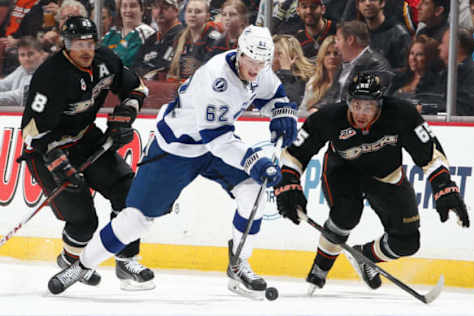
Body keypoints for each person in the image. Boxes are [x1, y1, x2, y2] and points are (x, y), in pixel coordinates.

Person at [46, 25, 298, 298]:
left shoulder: (258, 68)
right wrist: (254, 162)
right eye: (252, 60)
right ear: (240, 53)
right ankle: (82, 265)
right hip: (177, 148)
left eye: (263, 62)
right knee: (136, 221)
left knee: (253, 193)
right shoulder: (216, 79)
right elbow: (218, 140)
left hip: (214, 146)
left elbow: (274, 93)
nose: (257, 67)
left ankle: (238, 264)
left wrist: (282, 112)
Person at [274, 72, 470, 294]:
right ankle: (318, 271)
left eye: (368, 107)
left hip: (387, 175)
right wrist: (288, 182)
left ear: (380, 103)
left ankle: (365, 257)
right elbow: (294, 155)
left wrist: (444, 186)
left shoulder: (401, 114)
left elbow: (430, 154)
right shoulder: (329, 117)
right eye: (356, 105)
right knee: (346, 214)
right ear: (348, 101)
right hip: (343, 172)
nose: (361, 113)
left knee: (407, 242)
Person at [20, 16, 155, 291]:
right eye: (78, 43)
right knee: (84, 223)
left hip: (86, 138)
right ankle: (70, 260)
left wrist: (125, 116)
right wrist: (59, 164)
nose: (85, 50)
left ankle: (125, 258)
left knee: (127, 190)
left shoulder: (106, 60)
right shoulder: (50, 76)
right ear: (66, 45)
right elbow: (32, 132)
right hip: (49, 150)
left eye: (89, 43)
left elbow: (136, 88)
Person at [322, 20, 392, 103]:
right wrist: (317, 108)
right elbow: (331, 95)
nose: (336, 46)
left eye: (338, 40)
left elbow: (358, 102)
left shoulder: (375, 65)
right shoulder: (344, 64)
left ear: (350, 40)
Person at [167, 0, 221, 82]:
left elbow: (220, 70)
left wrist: (200, 67)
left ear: (207, 16)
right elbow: (170, 65)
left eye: (198, 12)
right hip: (181, 85)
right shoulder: (179, 36)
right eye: (189, 11)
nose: (193, 15)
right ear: (184, 15)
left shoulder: (215, 39)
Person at [388, 34, 443, 114]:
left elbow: (437, 105)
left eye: (419, 54)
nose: (413, 58)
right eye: (411, 53)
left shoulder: (437, 82)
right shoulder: (398, 77)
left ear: (430, 57)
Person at [132, 0, 184, 78]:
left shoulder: (183, 36)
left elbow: (163, 68)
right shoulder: (151, 39)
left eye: (165, 7)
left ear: (176, 11)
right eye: (156, 7)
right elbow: (135, 66)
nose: (159, 11)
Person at [356, 0, 411, 71]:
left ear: (382, 3)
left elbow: (405, 71)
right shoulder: (357, 33)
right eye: (362, 0)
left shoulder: (398, 34)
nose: (367, 3)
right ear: (357, 6)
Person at [438, 27, 474, 116]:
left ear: (455, 45)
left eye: (442, 43)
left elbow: (467, 108)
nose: (439, 47)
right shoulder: (442, 73)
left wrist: (432, 108)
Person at [102, 0, 155, 68]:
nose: (128, 10)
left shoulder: (147, 33)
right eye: (124, 6)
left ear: (142, 10)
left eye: (133, 6)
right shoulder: (111, 34)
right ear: (120, 10)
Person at [0, 36, 48, 106]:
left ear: (42, 54)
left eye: (30, 54)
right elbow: (3, 84)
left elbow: (17, 97)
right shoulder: (22, 69)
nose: (26, 58)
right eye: (22, 55)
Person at [300, 35, 341, 113]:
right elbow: (301, 112)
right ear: (322, 56)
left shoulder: (345, 82)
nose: (332, 57)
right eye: (327, 53)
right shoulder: (313, 83)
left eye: (336, 53)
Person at [272, 34, 314, 107]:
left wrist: (285, 71)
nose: (273, 59)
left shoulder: (306, 79)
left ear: (292, 56)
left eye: (279, 54)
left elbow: (288, 103)